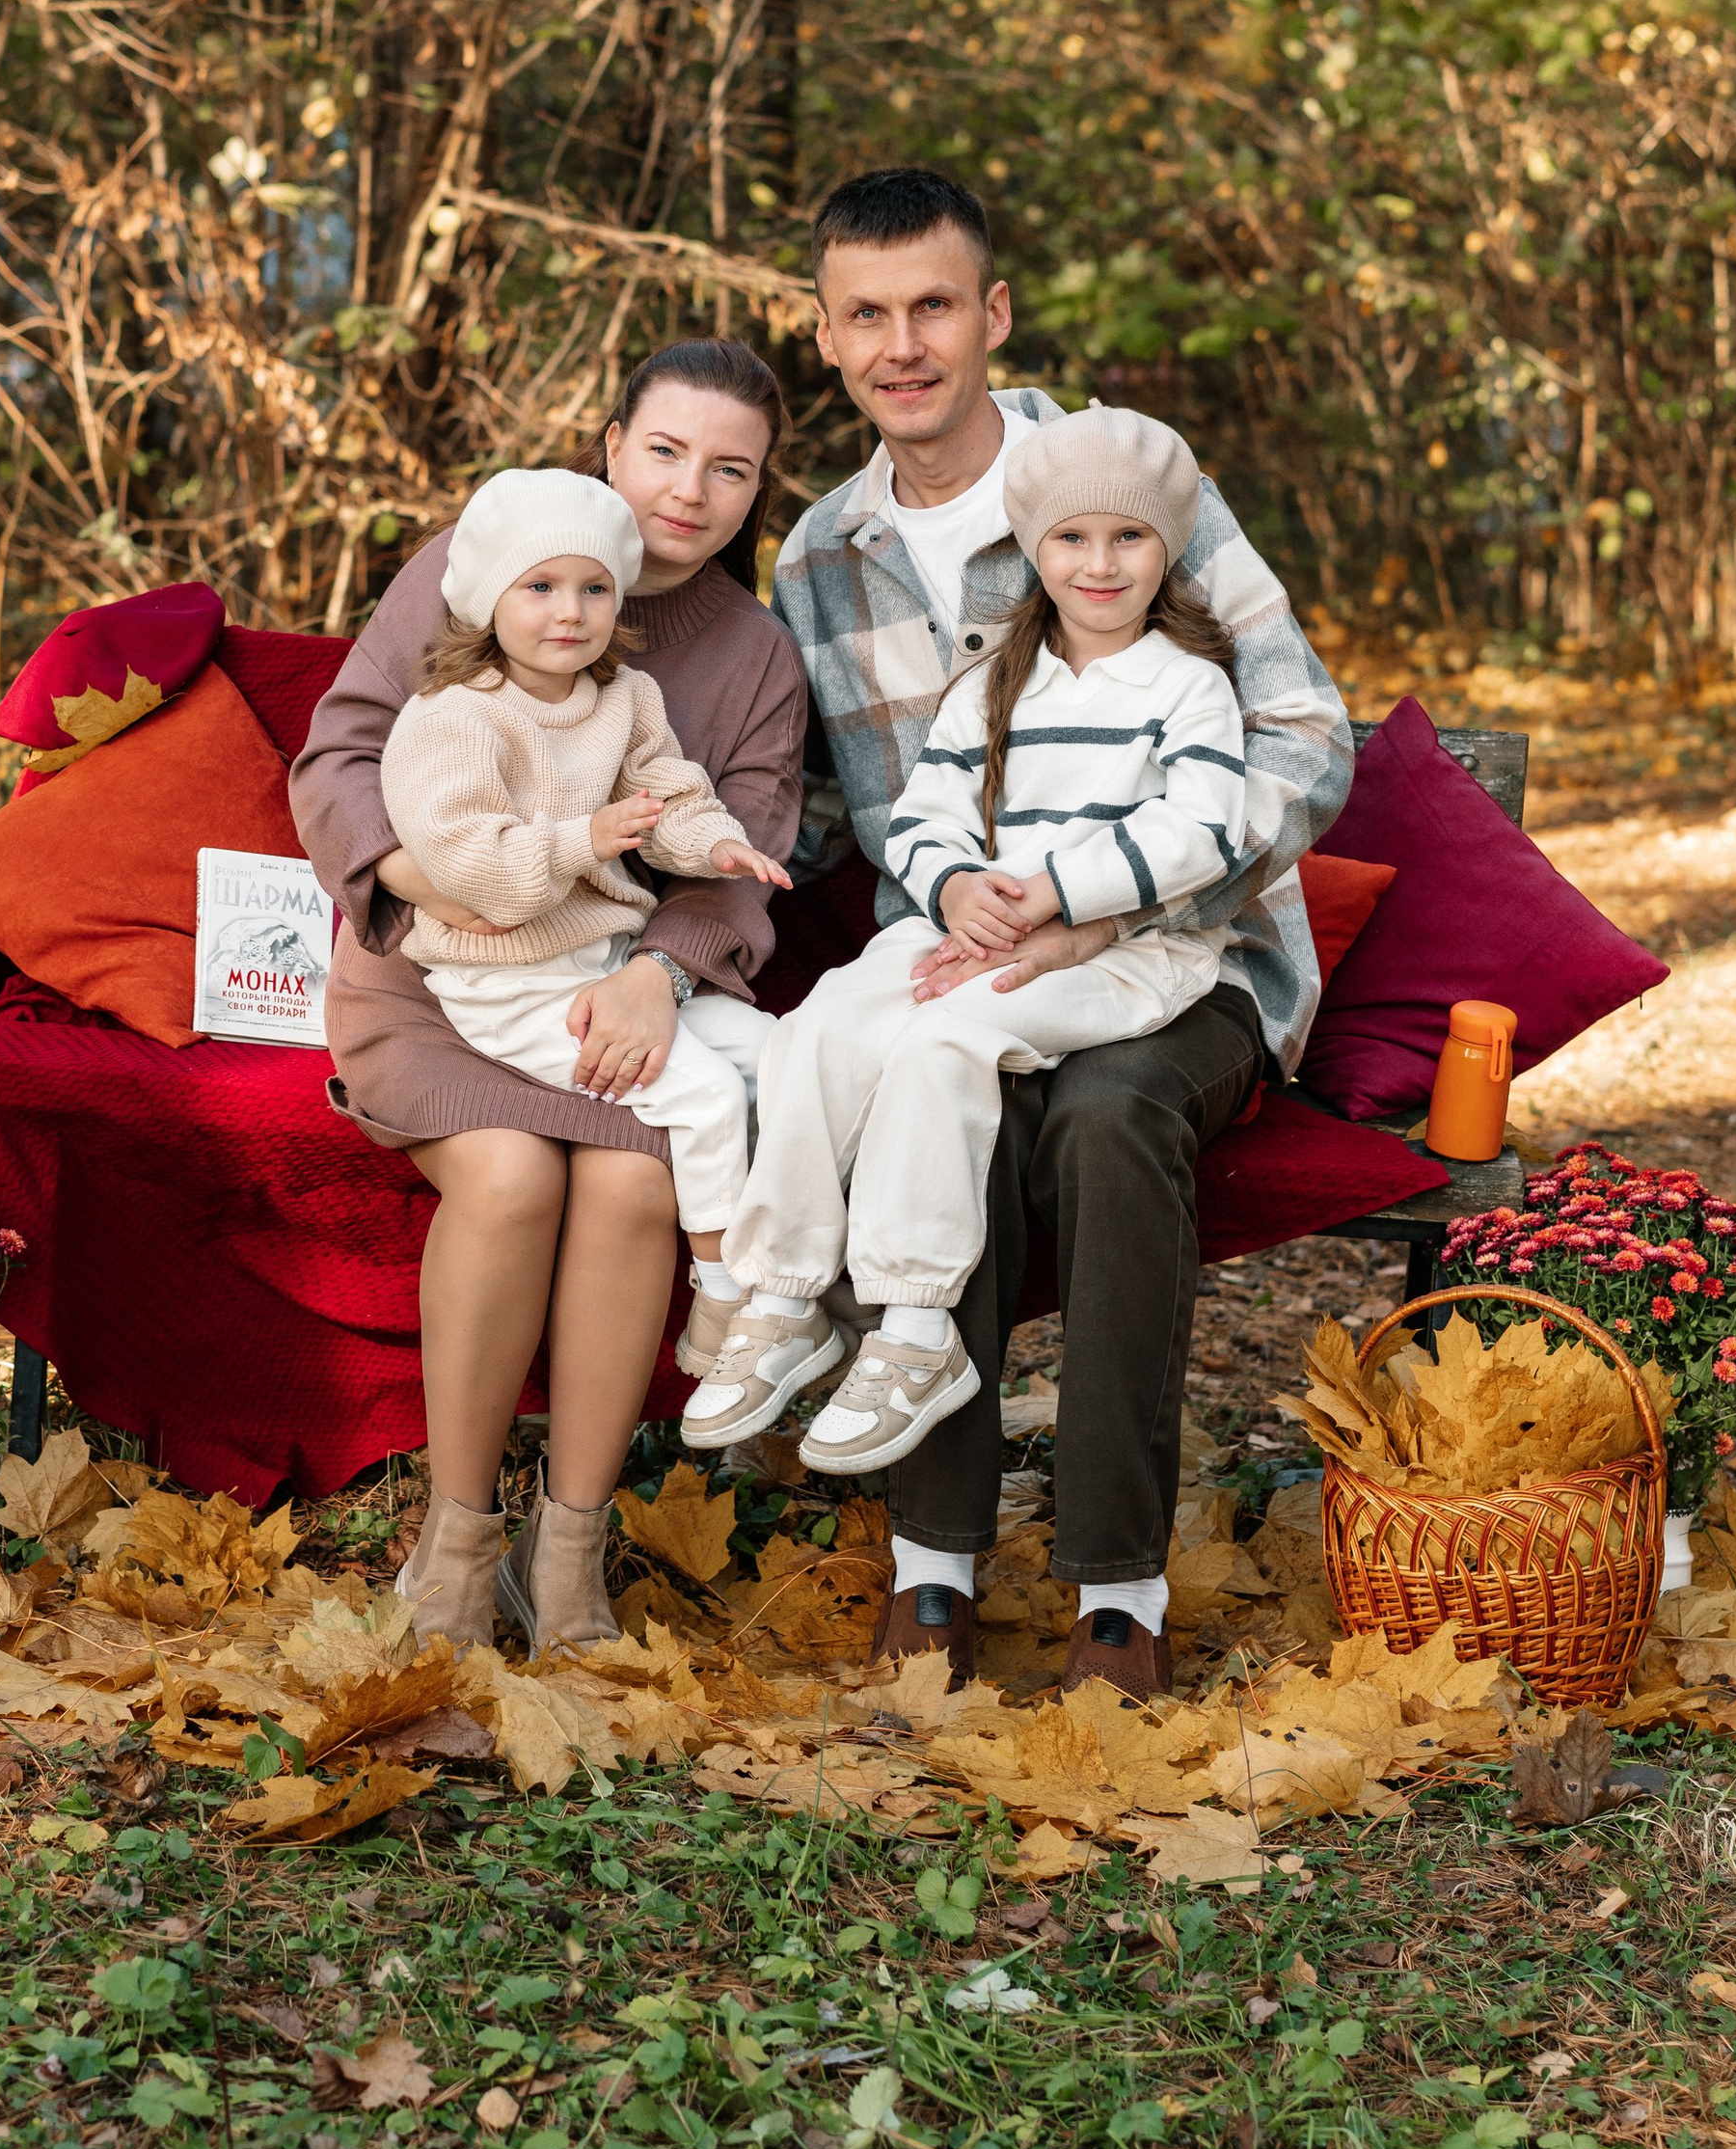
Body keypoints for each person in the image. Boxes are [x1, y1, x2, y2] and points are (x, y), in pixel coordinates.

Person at [758, 168, 1353, 1703]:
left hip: (1182, 966)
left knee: (1102, 1115)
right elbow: (825, 814)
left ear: (992, 313)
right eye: (868, 314)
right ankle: (935, 1565)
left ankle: (1114, 1587)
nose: (906, 344)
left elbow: (1300, 740)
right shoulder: (820, 558)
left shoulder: (1123, 482)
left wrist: (1107, 909)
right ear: (825, 335)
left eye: (935, 305)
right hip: (968, 965)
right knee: (926, 1073)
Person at [288, 340, 807, 1649]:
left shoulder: (750, 657)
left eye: (731, 469)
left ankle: (567, 1549)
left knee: (637, 1179)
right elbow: (341, 746)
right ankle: (454, 1545)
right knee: (512, 1177)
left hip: (619, 991)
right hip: (435, 970)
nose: (690, 491)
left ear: (758, 492)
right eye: (667, 450)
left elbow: (736, 855)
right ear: (611, 441)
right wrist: (417, 874)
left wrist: (658, 974)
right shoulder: (495, 547)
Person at [692, 404, 1246, 1483]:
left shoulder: (1189, 683)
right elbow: (928, 809)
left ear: (1167, 549)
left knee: (941, 1043)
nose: (1098, 563)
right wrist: (952, 889)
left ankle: (915, 1327)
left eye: (1127, 538)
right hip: (977, 929)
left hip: (1125, 953)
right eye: (1070, 538)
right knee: (824, 1025)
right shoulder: (998, 679)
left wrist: (1046, 893)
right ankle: (784, 1294)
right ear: (1032, 548)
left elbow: (1201, 828)